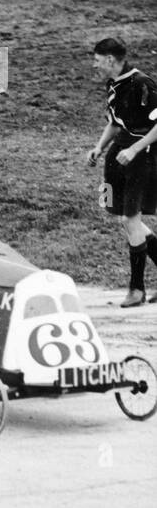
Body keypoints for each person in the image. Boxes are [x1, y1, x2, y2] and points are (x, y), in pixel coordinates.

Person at [85, 37, 157, 306]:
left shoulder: (142, 83)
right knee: (123, 218)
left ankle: (136, 290)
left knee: (130, 220)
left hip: (141, 156)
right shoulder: (113, 84)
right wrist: (99, 148)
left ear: (110, 60)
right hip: (119, 154)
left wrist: (136, 149)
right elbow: (114, 123)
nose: (94, 65)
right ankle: (138, 288)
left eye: (97, 60)